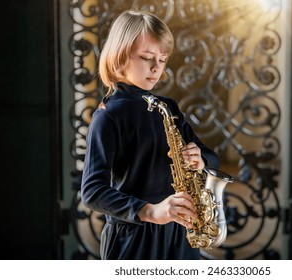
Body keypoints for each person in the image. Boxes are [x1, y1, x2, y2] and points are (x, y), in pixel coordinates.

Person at [80, 10, 220, 260]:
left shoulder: (168, 108)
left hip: (180, 232)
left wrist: (201, 159)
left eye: (162, 59)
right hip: (134, 237)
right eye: (146, 58)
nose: (156, 69)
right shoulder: (108, 115)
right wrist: (151, 211)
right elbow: (92, 191)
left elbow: (212, 158)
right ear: (120, 57)